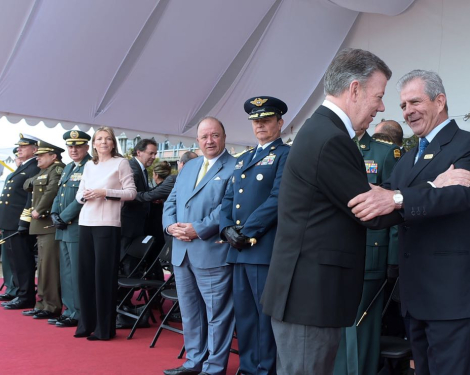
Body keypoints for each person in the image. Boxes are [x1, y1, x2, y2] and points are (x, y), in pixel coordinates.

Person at [260, 48, 402, 375]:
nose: (381, 107)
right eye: (378, 96)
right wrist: (419, 195)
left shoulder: (321, 131)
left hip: (307, 296)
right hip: (311, 299)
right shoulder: (330, 139)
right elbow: (372, 212)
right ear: (354, 89)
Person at [348, 70, 470, 375]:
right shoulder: (409, 157)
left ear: (439, 101)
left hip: (453, 298)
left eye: (415, 102)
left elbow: (456, 197)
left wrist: (397, 198)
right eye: (403, 105)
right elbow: (383, 203)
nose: (407, 111)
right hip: (416, 297)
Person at [219, 96, 290, 375]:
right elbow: (227, 198)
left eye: (266, 120)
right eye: (256, 121)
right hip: (237, 250)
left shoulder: (285, 155)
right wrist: (226, 229)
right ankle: (248, 368)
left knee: (263, 318)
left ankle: (264, 370)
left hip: (261, 248)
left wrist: (246, 232)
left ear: (279, 122)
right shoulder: (245, 158)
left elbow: (278, 198)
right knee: (245, 317)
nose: (260, 125)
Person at [163, 116, 236, 375]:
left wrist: (199, 229)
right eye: (204, 136)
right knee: (191, 313)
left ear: (224, 137)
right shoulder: (190, 166)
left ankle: (214, 368)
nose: (209, 141)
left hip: (211, 251)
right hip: (182, 253)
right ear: (197, 140)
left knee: (217, 315)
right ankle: (194, 362)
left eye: (214, 135)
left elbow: (227, 207)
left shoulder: (235, 167)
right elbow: (170, 201)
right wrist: (170, 226)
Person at [334, 128, 400, 375]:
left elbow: (394, 209)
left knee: (360, 329)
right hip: (335, 252)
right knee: (336, 328)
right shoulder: (331, 148)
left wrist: (392, 259)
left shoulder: (384, 152)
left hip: (369, 256)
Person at [74, 126, 136, 341]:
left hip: (108, 224)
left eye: (107, 139)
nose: (103, 142)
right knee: (85, 276)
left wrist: (104, 193)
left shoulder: (121, 163)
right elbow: (78, 195)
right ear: (93, 143)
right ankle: (86, 324)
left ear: (113, 143)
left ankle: (104, 328)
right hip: (86, 221)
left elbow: (131, 193)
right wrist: (86, 196)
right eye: (99, 138)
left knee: (103, 276)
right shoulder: (90, 164)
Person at [48, 130, 92, 327]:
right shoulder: (67, 168)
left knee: (76, 272)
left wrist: (63, 217)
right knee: (65, 272)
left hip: (76, 227)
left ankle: (80, 312)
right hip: (63, 227)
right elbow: (60, 193)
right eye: (70, 146)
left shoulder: (90, 166)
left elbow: (84, 197)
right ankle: (70, 310)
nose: (73, 149)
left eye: (78, 146)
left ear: (87, 147)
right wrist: (54, 213)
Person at [20, 141, 66, 320]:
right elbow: (26, 184)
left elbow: (52, 191)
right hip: (41, 226)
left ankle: (51, 305)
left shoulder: (57, 170)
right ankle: (42, 303)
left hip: (47, 223)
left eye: (41, 155)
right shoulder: (44, 171)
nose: (37, 158)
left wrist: (39, 209)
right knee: (43, 267)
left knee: (50, 268)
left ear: (53, 156)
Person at [1, 137, 40, 310]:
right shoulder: (23, 167)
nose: (19, 149)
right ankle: (16, 290)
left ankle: (26, 296)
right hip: (9, 222)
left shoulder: (34, 168)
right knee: (14, 260)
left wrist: (23, 222)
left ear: (34, 149)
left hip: (20, 222)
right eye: (19, 147)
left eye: (24, 147)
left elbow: (30, 198)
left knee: (23, 261)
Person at [121, 139, 158, 274]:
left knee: (132, 262)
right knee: (126, 262)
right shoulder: (131, 168)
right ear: (139, 152)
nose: (154, 157)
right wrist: (152, 196)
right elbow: (130, 195)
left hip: (137, 225)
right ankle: (123, 293)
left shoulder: (142, 169)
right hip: (128, 225)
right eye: (151, 153)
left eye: (155, 154)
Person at [0, 147, 21, 302]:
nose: (18, 160)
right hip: (7, 223)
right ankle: (10, 286)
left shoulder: (26, 175)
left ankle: (16, 288)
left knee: (15, 259)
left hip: (18, 224)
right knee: (7, 258)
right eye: (16, 157)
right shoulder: (12, 176)